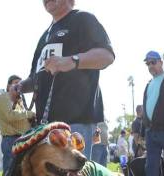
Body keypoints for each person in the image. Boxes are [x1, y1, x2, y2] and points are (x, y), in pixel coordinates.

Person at [17, 0, 114, 159]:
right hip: (45, 126)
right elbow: (36, 77)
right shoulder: (44, 36)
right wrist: (21, 86)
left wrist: (72, 60)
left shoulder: (83, 19)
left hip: (76, 122)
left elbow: (106, 56)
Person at [0, 75, 35, 176]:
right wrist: (29, 114)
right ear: (8, 86)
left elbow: (23, 117)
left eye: (20, 83)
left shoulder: (20, 101)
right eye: (15, 83)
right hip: (11, 140)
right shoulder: (4, 97)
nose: (19, 85)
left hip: (23, 139)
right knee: (10, 174)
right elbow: (10, 116)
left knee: (22, 174)